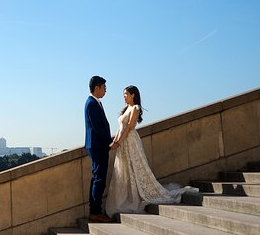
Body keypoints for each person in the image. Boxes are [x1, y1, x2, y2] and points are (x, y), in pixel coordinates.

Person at [105, 85, 198, 217]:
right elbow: (121, 129)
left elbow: (129, 128)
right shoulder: (126, 108)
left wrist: (118, 142)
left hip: (130, 142)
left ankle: (140, 196)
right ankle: (128, 198)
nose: (124, 96)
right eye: (124, 94)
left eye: (126, 94)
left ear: (133, 95)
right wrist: (116, 141)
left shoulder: (135, 108)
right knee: (126, 170)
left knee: (136, 168)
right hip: (123, 142)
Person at [84, 75, 117, 223]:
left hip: (97, 145)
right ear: (97, 88)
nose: (105, 91)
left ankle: (94, 209)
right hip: (98, 146)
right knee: (99, 179)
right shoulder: (91, 103)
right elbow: (97, 127)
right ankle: (95, 212)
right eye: (104, 88)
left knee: (96, 177)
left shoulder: (95, 102)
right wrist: (109, 142)